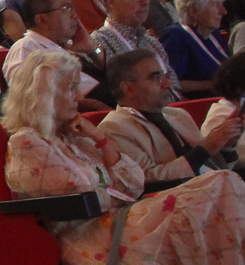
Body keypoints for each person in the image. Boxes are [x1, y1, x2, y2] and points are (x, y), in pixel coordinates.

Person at [3, 48, 245, 265]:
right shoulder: (27, 142)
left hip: (122, 218)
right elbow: (76, 193)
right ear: (43, 93)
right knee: (214, 190)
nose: (80, 95)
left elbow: (133, 182)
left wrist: (99, 140)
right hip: (87, 234)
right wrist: (111, 188)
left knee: (223, 183)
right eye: (70, 88)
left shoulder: (79, 136)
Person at [97, 49, 231, 180]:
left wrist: (227, 144)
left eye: (165, 76)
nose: (168, 84)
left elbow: (215, 167)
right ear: (128, 88)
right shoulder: (114, 128)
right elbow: (144, 180)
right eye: (156, 78)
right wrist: (203, 151)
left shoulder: (178, 115)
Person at [86, 0, 180, 103]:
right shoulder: (99, 42)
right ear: (111, 1)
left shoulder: (151, 42)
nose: (145, 2)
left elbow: (175, 88)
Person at [161, 0, 228, 96]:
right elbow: (172, 83)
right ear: (194, 10)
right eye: (215, 4)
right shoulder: (176, 35)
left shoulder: (213, 34)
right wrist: (212, 84)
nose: (223, 11)